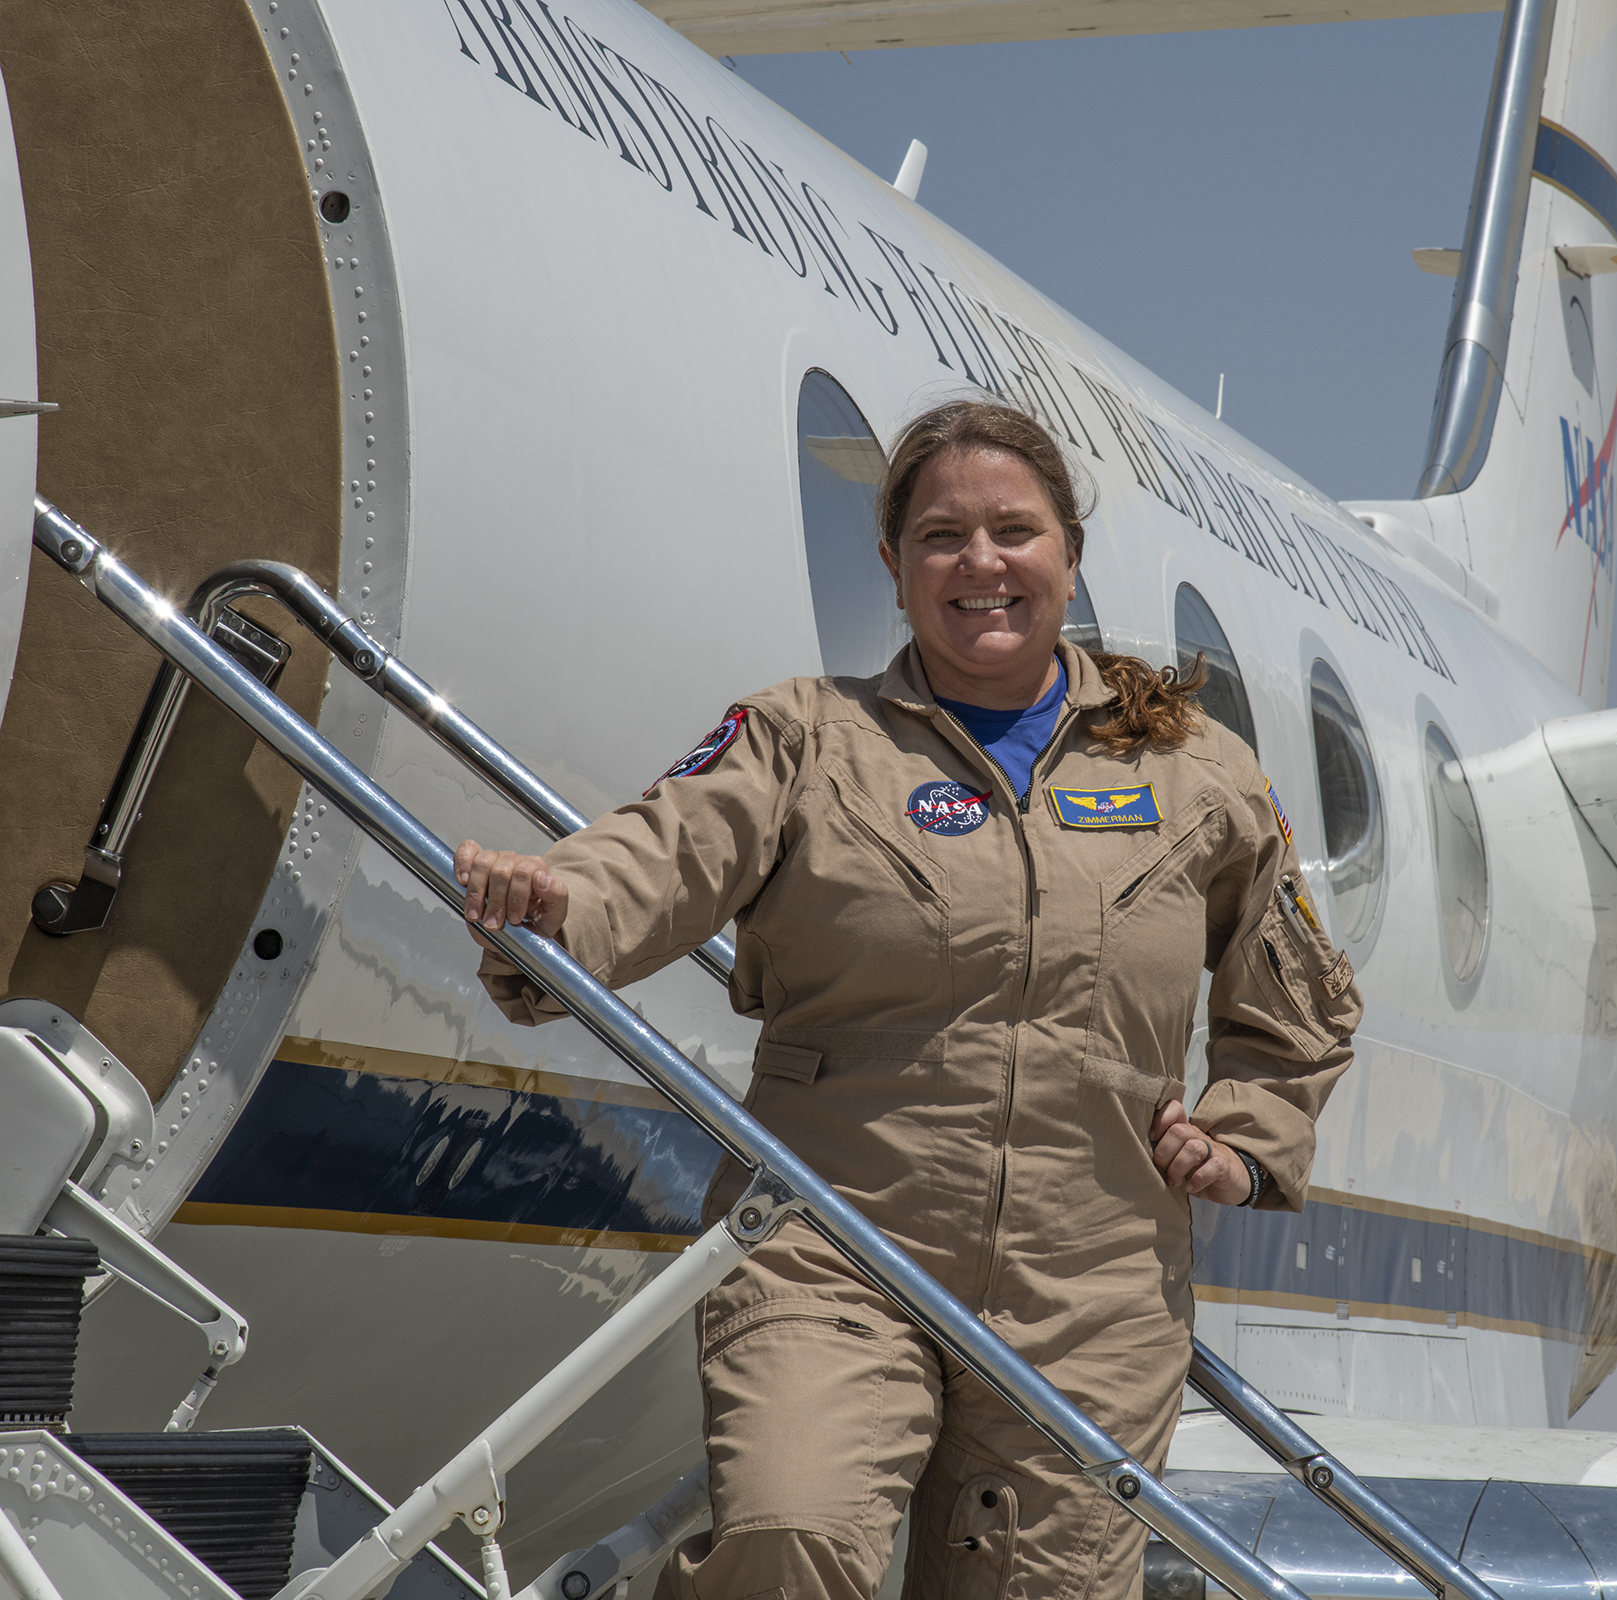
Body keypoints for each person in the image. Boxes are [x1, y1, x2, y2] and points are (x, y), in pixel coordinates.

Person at [457, 398, 1361, 1600]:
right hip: (831, 1247)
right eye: (941, 536)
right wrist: (553, 902)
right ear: (891, 565)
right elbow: (656, 849)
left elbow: (1293, 990)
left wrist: (1243, 1138)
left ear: (1068, 554)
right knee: (789, 1536)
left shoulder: (1195, 772)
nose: (979, 563)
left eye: (1012, 531)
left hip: (1089, 1291)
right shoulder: (803, 740)